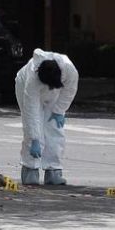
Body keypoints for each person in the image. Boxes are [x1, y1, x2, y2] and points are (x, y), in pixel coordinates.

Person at [15, 49, 79, 185]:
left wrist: (59, 110)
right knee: (32, 127)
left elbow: (69, 90)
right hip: (24, 88)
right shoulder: (31, 80)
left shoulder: (69, 69)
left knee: (55, 128)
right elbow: (31, 113)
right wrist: (35, 139)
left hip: (56, 94)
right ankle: (30, 168)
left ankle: (53, 169)